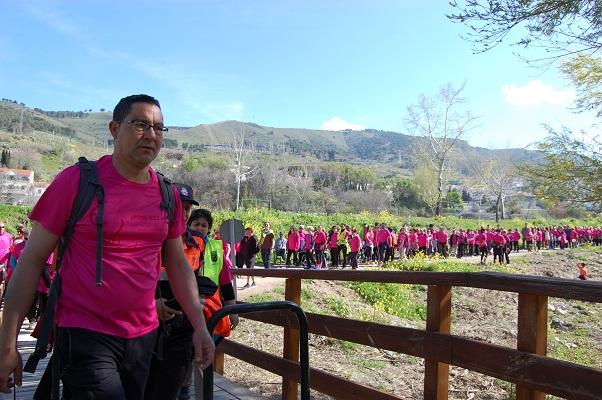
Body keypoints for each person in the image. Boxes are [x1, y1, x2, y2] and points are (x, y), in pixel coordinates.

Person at [0, 94, 215, 399]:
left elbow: (179, 265)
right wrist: (7, 344)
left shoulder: (167, 196)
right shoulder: (76, 182)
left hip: (143, 336)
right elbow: (32, 259)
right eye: (140, 124)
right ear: (115, 129)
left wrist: (199, 325)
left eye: (158, 128)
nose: (151, 135)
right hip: (85, 332)